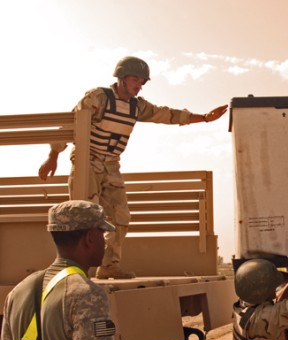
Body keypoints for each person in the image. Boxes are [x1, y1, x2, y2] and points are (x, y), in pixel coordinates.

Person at [38, 56, 229, 279]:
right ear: (121, 78)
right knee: (85, 214)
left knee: (121, 216)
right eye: (135, 79)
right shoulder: (98, 98)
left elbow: (167, 115)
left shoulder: (137, 107)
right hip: (86, 161)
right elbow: (72, 122)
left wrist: (204, 118)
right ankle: (78, 269)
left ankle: (109, 265)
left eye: (142, 82)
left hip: (111, 164)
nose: (139, 85)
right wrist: (53, 155)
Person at [0, 200, 125, 340]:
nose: (105, 243)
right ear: (89, 238)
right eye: (102, 234)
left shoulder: (18, 291)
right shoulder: (87, 295)